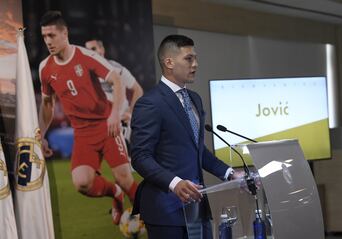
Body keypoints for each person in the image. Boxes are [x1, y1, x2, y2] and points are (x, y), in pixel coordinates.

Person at [130, 34, 243, 239]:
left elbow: (197, 151)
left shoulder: (194, 99)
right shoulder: (150, 103)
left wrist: (229, 173)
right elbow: (140, 157)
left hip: (198, 208)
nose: (195, 64)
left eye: (195, 58)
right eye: (189, 59)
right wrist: (175, 183)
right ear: (169, 62)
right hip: (166, 211)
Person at [38, 11, 137, 226]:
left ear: (65, 34)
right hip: (82, 133)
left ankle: (150, 216)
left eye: (52, 35)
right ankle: (116, 194)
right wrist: (41, 135)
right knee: (82, 183)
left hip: (106, 126)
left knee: (125, 177)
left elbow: (116, 82)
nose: (48, 41)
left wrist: (114, 114)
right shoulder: (45, 68)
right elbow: (47, 103)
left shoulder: (86, 57)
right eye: (44, 36)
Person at [84, 39, 143, 146]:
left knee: (127, 157)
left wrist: (130, 112)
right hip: (101, 124)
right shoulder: (85, 74)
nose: (90, 52)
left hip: (120, 122)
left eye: (93, 49)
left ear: (102, 50)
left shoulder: (116, 69)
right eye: (87, 50)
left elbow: (138, 90)